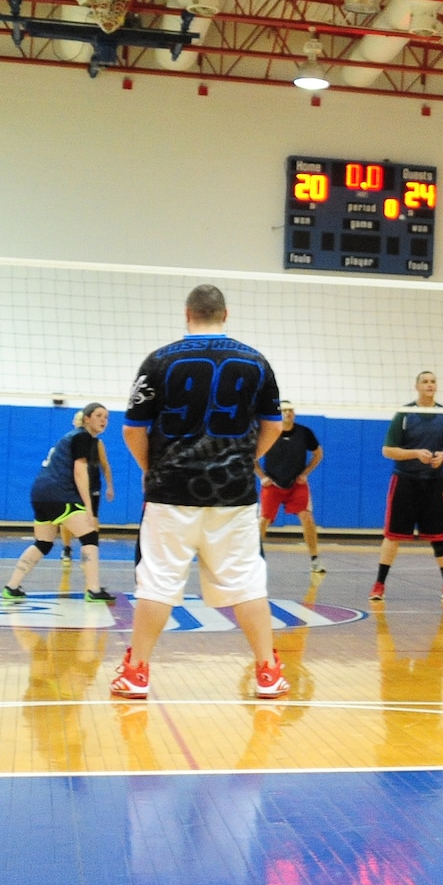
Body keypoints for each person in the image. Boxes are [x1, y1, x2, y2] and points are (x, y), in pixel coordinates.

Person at [112, 284, 288, 701]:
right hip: (234, 494)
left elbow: (132, 428)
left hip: (170, 490)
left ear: (187, 313)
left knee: (157, 582)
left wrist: (150, 468)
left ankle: (137, 672)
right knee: (246, 583)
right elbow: (274, 426)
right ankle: (267, 672)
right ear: (225, 314)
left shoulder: (158, 360)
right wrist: (245, 461)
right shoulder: (255, 362)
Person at [2, 403, 114, 604]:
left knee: (43, 543)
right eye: (99, 415)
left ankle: (11, 587)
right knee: (90, 536)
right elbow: (80, 472)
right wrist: (88, 507)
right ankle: (93, 590)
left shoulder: (70, 437)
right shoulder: (83, 437)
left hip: (40, 494)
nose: (103, 420)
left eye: (106, 417)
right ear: (87, 418)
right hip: (59, 494)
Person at [371, 371, 443, 602]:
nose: (430, 384)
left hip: (434, 483)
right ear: (417, 386)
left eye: (433, 381)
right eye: (425, 381)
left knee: (440, 536)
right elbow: (387, 450)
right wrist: (414, 453)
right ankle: (379, 585)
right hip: (405, 481)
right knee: (393, 535)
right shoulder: (404, 414)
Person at [258, 401, 326, 574]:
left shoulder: (304, 433)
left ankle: (315, 560)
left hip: (296, 484)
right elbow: (250, 456)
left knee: (307, 517)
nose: (288, 413)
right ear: (279, 413)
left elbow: (318, 453)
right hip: (272, 483)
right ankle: (256, 560)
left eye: (291, 411)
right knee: (263, 520)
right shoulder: (269, 432)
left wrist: (305, 473)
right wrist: (262, 477)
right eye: (285, 410)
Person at [59, 406, 116, 563]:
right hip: (73, 485)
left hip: (92, 485)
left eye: (105, 417)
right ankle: (66, 548)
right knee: (67, 519)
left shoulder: (97, 443)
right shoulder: (71, 440)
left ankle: (91, 551)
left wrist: (110, 486)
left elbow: (105, 465)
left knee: (93, 519)